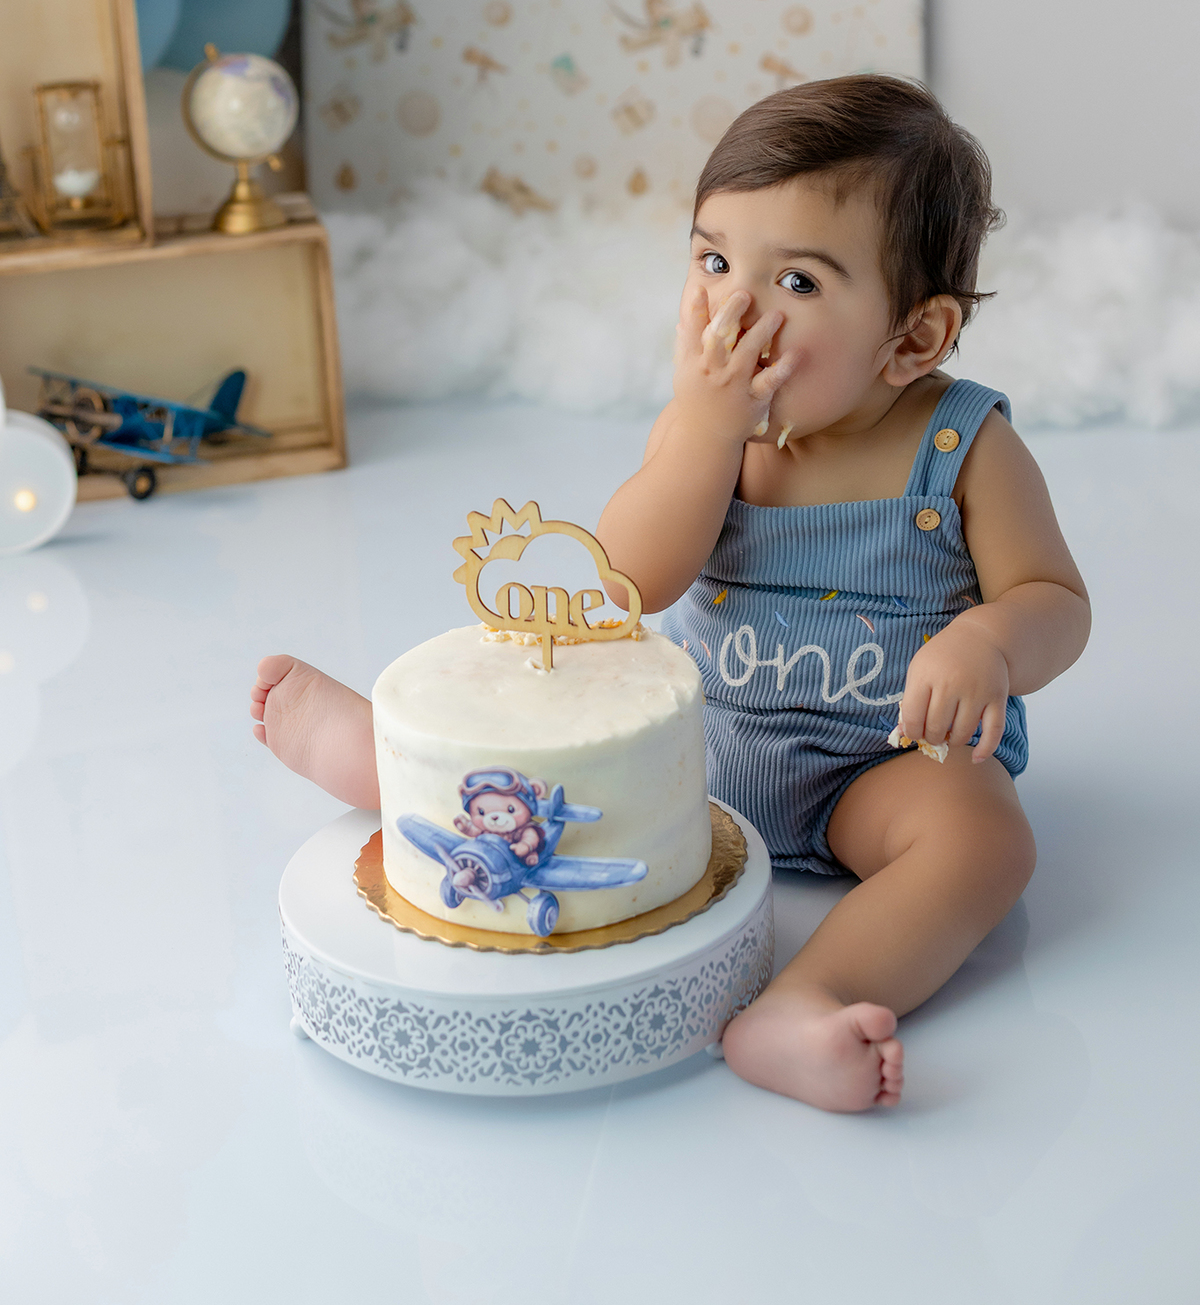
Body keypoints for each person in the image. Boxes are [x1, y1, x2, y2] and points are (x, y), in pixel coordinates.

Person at [252, 76, 1089, 1114]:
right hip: (698, 750)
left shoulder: (964, 448)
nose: (732, 307)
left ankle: (803, 1002)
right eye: (714, 258)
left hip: (881, 771)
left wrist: (994, 644)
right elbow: (631, 580)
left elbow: (1057, 598)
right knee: (562, 743)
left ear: (913, 339)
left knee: (986, 839)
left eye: (798, 283)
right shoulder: (711, 432)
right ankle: (386, 757)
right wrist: (703, 428)